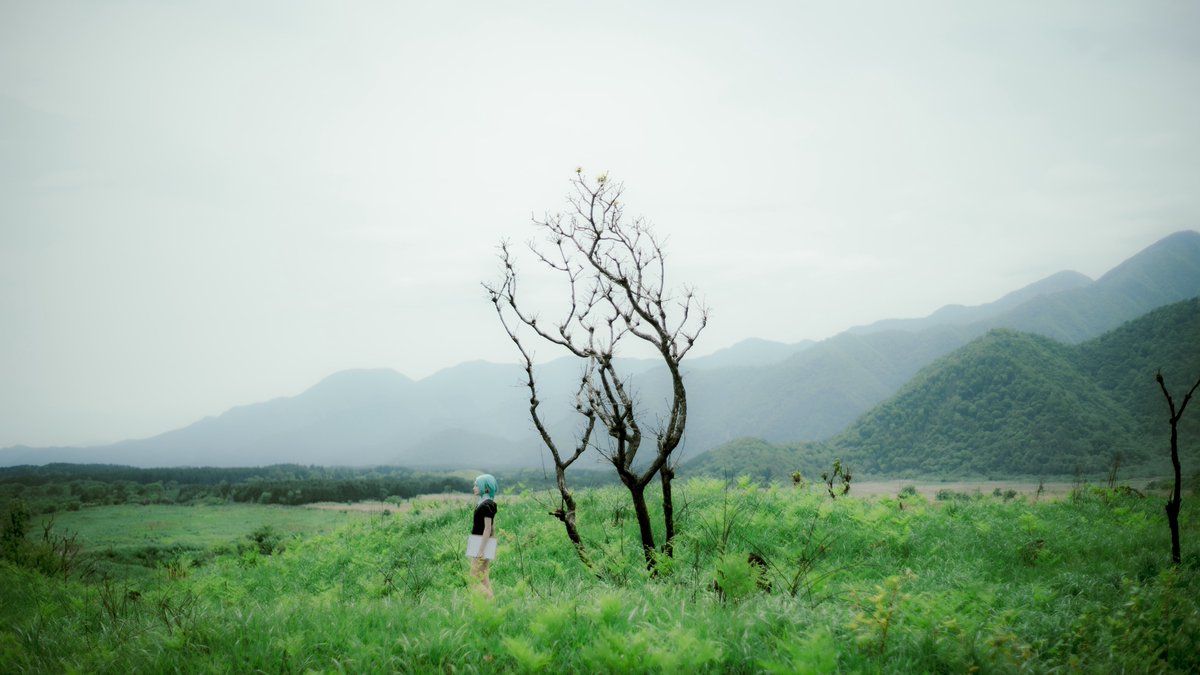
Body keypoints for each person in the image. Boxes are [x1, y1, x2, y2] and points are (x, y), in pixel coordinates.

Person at [469, 473, 497, 599]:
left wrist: (481, 549)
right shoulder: (486, 502)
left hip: (481, 542)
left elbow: (488, 528)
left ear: (486, 488)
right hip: (482, 541)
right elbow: (492, 528)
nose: (474, 487)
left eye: (476, 485)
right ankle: (491, 606)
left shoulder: (487, 504)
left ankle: (490, 599)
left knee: (474, 578)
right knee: (484, 577)